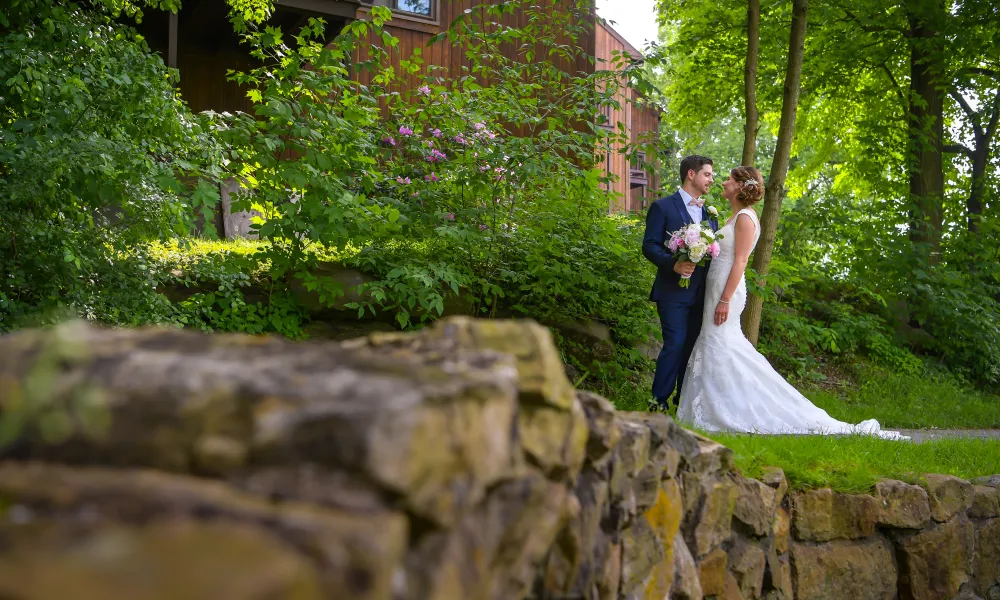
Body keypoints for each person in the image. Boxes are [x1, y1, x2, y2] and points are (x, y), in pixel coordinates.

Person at [676, 166, 907, 440]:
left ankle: (741, 408)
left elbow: (741, 261)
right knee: (716, 344)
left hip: (728, 291)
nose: (723, 182)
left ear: (740, 186)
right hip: (716, 288)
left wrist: (725, 299)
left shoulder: (746, 219)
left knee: (724, 345)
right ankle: (714, 407)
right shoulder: (733, 216)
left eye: (728, 179)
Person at [642, 155, 719, 410]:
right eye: (707, 174)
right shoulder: (663, 207)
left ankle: (683, 402)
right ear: (691, 174)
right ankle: (658, 401)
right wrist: (673, 264)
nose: (711, 179)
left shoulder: (710, 213)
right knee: (674, 344)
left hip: (701, 293)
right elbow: (649, 245)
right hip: (672, 291)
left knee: (691, 348)